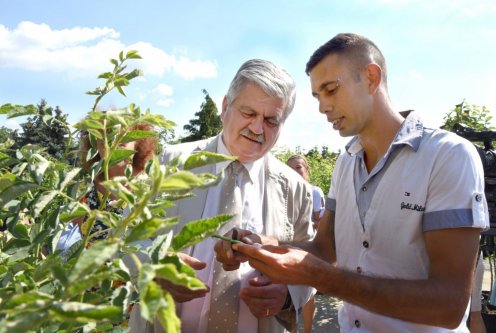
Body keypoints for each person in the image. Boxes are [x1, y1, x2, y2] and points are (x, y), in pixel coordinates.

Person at [216, 33, 489, 332]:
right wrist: (262, 244)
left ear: (371, 78)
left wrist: (320, 277)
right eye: (317, 97)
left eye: (331, 90)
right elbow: (323, 248)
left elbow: (449, 306)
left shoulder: (447, 156)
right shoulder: (346, 163)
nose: (322, 107)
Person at [129, 59, 315, 333]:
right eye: (249, 112)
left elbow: (309, 259)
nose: (257, 128)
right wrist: (152, 266)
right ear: (225, 106)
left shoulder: (295, 188)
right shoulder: (170, 163)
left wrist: (287, 295)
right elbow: (128, 237)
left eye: (271, 120)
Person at [55, 124, 157, 254]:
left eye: (121, 135)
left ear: (138, 141)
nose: (113, 140)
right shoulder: (85, 188)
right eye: (106, 135)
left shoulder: (152, 188)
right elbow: (77, 236)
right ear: (95, 143)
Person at [286, 154, 324, 333]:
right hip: (287, 246)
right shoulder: (284, 192)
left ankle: (307, 331)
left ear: (306, 170)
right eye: (290, 168)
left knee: (309, 293)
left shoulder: (314, 191)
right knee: (289, 293)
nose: (294, 171)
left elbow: (320, 220)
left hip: (308, 247)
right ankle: (292, 330)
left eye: (298, 167)